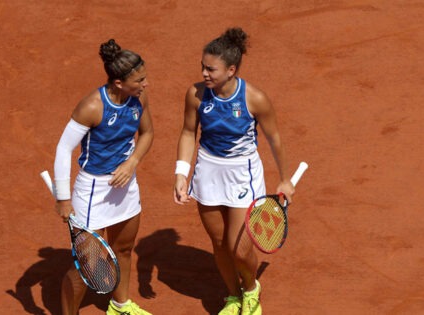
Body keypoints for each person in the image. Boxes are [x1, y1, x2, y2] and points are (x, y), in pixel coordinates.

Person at [173, 27, 295, 315]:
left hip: (243, 173)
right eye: (203, 66)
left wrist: (285, 179)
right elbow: (189, 132)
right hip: (208, 171)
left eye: (211, 69)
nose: (204, 73)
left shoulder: (255, 98)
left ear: (231, 70)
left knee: (238, 247)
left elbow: (274, 138)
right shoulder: (196, 95)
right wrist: (181, 173)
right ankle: (232, 295)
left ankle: (251, 289)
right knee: (218, 243)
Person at [53, 39, 153, 315]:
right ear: (119, 82)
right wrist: (63, 198)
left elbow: (147, 133)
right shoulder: (92, 106)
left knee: (123, 248)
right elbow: (64, 148)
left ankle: (120, 306)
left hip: (125, 186)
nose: (145, 85)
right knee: (87, 265)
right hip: (93, 191)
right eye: (139, 80)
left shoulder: (139, 99)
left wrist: (132, 162)